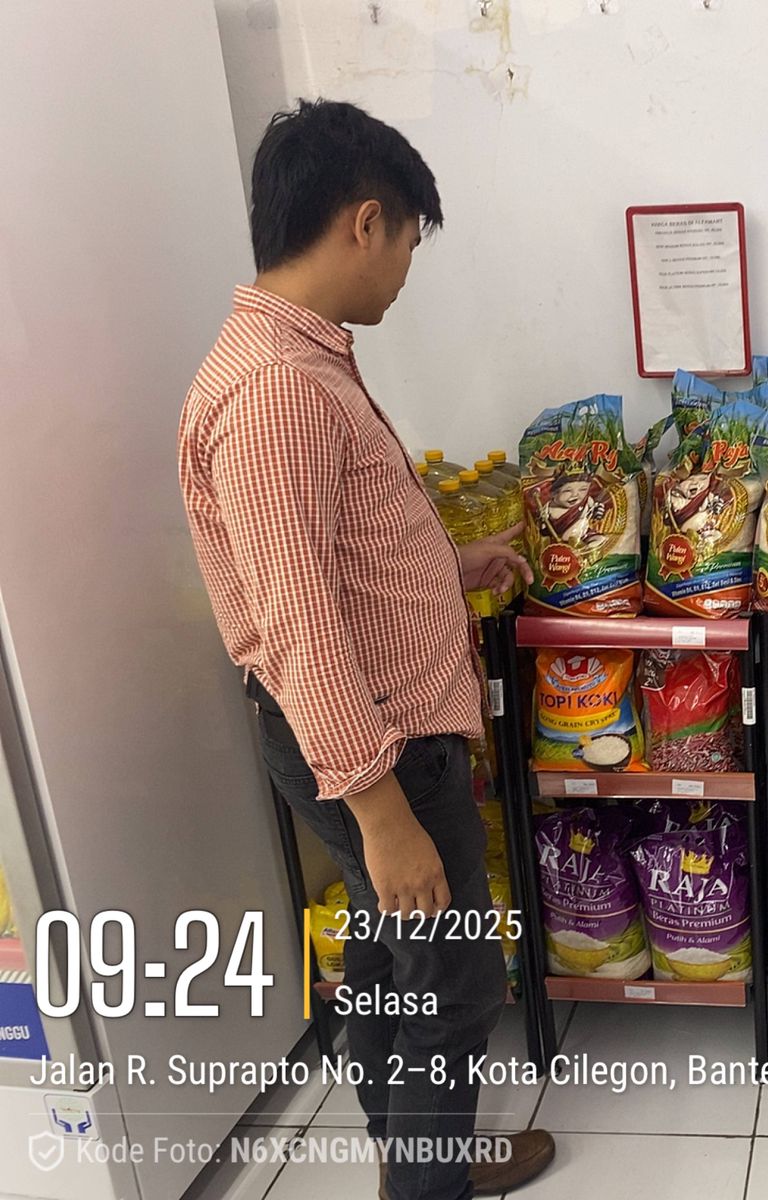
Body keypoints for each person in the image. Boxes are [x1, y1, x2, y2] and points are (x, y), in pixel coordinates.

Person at [177, 99, 550, 1200]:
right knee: (453, 988)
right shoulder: (278, 391)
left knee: (390, 966)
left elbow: (332, 551)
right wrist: (383, 813)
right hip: (374, 747)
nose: (403, 274)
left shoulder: (292, 357)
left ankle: (415, 1158)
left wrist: (448, 560)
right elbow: (299, 620)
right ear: (365, 221)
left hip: (362, 735)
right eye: (408, 246)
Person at [538, 472, 605, 551]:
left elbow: (594, 512)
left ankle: (584, 549)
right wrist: (542, 520)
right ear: (554, 493)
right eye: (568, 490)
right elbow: (543, 530)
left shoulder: (587, 501)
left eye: (583, 489)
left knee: (600, 539)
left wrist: (598, 511)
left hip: (583, 536)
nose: (575, 495)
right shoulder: (549, 509)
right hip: (559, 540)